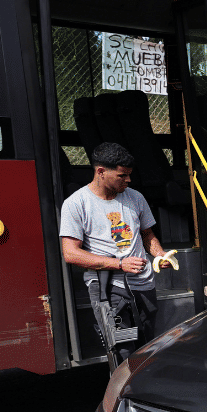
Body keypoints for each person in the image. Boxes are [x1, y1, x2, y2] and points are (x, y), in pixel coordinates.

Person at [60, 142, 171, 360]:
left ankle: (143, 392)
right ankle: (122, 394)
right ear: (100, 172)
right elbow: (70, 253)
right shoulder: (76, 204)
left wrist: (159, 254)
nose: (128, 180)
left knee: (146, 349)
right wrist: (119, 264)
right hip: (108, 290)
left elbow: (148, 235)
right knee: (122, 352)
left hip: (144, 285)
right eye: (122, 175)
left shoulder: (135, 197)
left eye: (129, 175)